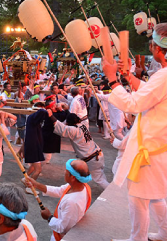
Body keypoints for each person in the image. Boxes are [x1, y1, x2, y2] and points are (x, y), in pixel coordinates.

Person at [103, 23, 167, 241]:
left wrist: (112, 79)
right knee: (156, 195)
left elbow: (133, 104)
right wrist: (128, 76)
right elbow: (151, 94)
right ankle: (165, 232)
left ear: (158, 48)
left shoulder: (164, 75)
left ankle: (136, 239)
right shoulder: (163, 76)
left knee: (138, 198)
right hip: (159, 146)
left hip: (150, 149)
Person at [26, 159, 92, 241]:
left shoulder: (72, 202)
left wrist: (49, 217)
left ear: (73, 177)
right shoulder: (81, 186)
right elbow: (58, 191)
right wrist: (36, 184)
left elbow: (63, 228)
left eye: (66, 171)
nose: (64, 172)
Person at [51, 112, 110, 189]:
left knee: (100, 179)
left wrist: (51, 115)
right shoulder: (82, 125)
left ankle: (111, 193)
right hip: (98, 154)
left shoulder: (74, 130)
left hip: (93, 159)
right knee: (100, 176)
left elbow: (62, 128)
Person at [23, 102, 52, 194]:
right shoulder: (33, 116)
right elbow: (42, 112)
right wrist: (46, 110)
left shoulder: (32, 118)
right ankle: (29, 188)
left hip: (34, 145)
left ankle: (25, 179)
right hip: (34, 145)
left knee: (33, 166)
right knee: (38, 169)